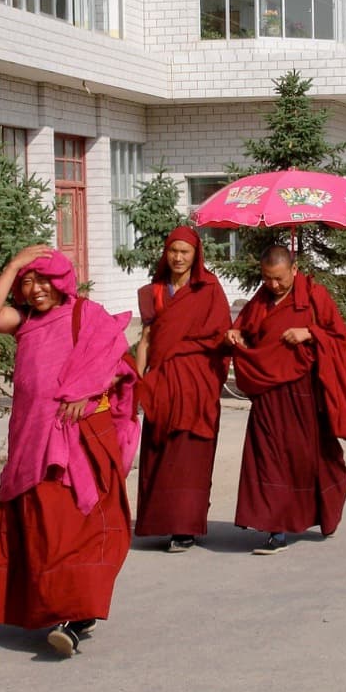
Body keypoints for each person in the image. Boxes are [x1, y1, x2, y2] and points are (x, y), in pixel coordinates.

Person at [0, 245, 138, 658]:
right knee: (40, 529)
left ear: (61, 281)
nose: (36, 289)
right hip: (31, 439)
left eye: (43, 280)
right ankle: (57, 608)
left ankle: (75, 615)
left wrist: (86, 390)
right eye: (28, 282)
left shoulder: (86, 315)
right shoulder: (25, 322)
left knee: (71, 528)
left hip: (75, 443)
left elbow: (118, 364)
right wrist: (14, 264)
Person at [226, 245, 346, 555]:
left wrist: (309, 333)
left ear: (294, 270)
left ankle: (324, 511)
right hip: (267, 394)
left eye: (279, 278)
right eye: (267, 278)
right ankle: (276, 530)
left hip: (302, 393)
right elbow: (246, 328)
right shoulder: (261, 299)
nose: (273, 285)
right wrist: (235, 334)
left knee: (307, 458)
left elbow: (340, 337)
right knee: (267, 458)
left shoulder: (314, 296)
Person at [133, 226, 230, 553]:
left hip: (196, 384)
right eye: (173, 251)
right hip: (162, 383)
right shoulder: (155, 291)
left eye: (184, 252)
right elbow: (146, 340)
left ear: (195, 255)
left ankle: (185, 528)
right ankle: (161, 521)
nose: (178, 257)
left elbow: (219, 336)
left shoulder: (209, 289)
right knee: (159, 452)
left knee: (189, 456)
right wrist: (139, 380)